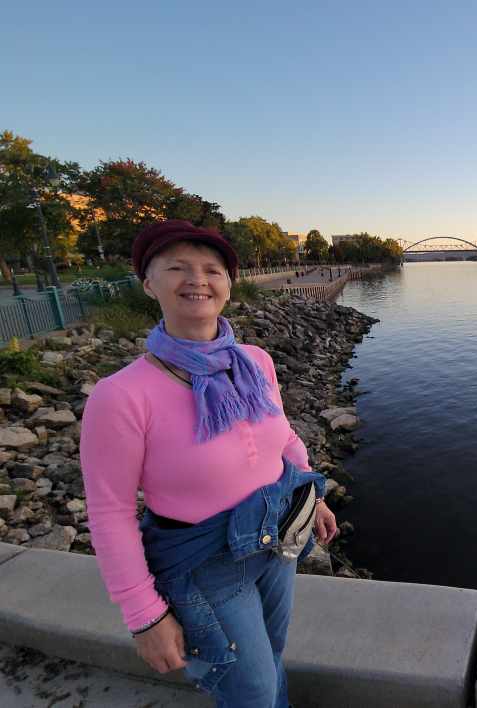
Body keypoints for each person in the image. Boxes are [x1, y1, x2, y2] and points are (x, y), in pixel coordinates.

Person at [80, 220, 339, 707]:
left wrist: (311, 495)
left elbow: (281, 436)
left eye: (212, 269)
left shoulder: (255, 361)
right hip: (206, 564)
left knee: (271, 658)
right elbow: (110, 514)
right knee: (252, 690)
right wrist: (144, 616)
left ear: (227, 283)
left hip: (277, 541)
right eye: (177, 267)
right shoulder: (121, 396)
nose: (198, 280)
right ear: (148, 283)